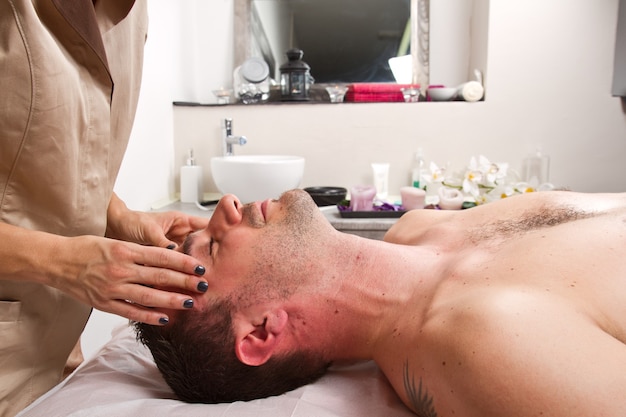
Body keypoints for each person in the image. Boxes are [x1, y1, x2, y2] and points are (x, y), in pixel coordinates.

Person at [136, 189, 626, 417]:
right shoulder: (480, 342)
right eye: (212, 248)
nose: (225, 206)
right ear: (263, 332)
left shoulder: (416, 228)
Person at [1, 1, 208, 416]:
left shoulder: (132, 14)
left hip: (58, 356)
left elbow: (55, 156)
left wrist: (119, 218)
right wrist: (62, 263)